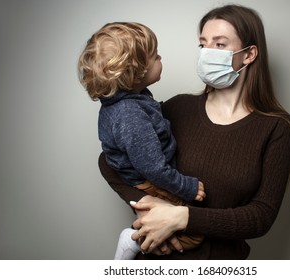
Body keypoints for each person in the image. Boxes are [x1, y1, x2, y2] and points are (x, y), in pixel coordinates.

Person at [98, 4, 290, 260]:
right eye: (203, 44)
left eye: (220, 44)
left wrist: (182, 218)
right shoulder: (177, 108)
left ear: (249, 54)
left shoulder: (276, 128)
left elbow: (261, 216)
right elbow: (111, 160)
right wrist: (148, 211)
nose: (207, 53)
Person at [78, 22, 205, 259]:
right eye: (155, 56)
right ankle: (133, 241)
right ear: (134, 72)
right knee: (193, 233)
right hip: (149, 180)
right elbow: (153, 168)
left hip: (147, 175)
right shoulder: (129, 114)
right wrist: (185, 186)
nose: (160, 58)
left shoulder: (133, 99)